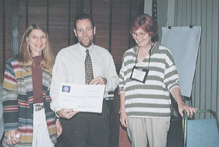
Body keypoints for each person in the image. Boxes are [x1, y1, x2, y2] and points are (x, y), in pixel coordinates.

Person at [119, 14, 197, 147]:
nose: (138, 38)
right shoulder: (127, 56)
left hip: (158, 114)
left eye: (142, 33)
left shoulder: (164, 53)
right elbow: (123, 86)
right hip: (134, 113)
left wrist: (180, 103)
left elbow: (172, 82)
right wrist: (123, 111)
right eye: (135, 34)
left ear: (151, 32)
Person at [50, 13, 119, 147]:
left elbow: (116, 80)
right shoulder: (64, 55)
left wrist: (106, 82)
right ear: (75, 32)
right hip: (74, 115)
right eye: (80, 30)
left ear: (94, 30)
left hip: (100, 112)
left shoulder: (105, 54)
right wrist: (58, 111)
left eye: (88, 29)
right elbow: (56, 87)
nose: (85, 34)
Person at [2, 24, 62, 147]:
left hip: (47, 118)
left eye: (43, 37)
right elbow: (9, 98)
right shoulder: (13, 64)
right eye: (34, 37)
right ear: (27, 40)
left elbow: (56, 95)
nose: (39, 41)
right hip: (23, 118)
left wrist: (57, 120)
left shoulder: (52, 64)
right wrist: (12, 127)